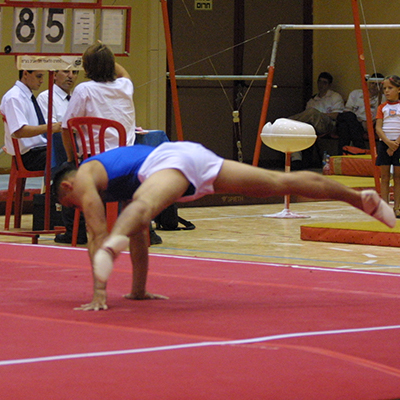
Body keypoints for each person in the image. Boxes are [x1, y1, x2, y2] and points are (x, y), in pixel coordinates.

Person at [52, 141, 396, 311]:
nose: (77, 207)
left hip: (171, 163)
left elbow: (95, 232)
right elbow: (141, 238)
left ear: (67, 188)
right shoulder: (114, 179)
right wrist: (138, 291)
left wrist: (99, 292)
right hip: (192, 157)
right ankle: (358, 198)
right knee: (281, 181)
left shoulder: (83, 177)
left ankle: (116, 246)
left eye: (71, 205)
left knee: (140, 208)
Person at [61, 42, 136, 163]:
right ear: (112, 64)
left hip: (94, 158)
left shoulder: (84, 89)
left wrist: (71, 159)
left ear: (86, 66)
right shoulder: (125, 85)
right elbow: (123, 73)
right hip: (125, 157)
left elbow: (66, 128)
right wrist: (106, 56)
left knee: (59, 169)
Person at [37, 69, 87, 244]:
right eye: (66, 72)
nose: (71, 76)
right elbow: (47, 129)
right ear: (55, 74)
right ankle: (74, 227)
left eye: (74, 72)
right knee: (70, 168)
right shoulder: (46, 97)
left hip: (79, 147)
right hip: (51, 146)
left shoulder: (77, 97)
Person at [0, 70, 61, 171]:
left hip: (39, 150)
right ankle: (56, 186)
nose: (42, 81)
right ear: (25, 74)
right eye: (38, 76)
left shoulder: (26, 96)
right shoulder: (14, 97)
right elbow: (19, 131)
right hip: (29, 156)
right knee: (69, 157)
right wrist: (50, 127)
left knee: (73, 152)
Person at [289, 72, 344, 169]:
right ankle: (296, 159)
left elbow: (337, 115)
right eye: (320, 82)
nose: (321, 85)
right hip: (312, 126)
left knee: (312, 112)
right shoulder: (313, 100)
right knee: (296, 129)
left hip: (329, 125)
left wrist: (319, 115)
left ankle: (288, 121)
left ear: (329, 85)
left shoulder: (335, 97)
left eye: (325, 82)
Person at [336, 73, 384, 154]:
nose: (374, 86)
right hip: (354, 121)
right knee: (347, 119)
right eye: (372, 83)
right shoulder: (355, 94)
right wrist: (359, 120)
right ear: (368, 83)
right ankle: (360, 147)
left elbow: (381, 116)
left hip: (368, 125)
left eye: (377, 84)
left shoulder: (382, 98)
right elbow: (346, 111)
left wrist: (369, 123)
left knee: (344, 126)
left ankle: (342, 154)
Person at [375, 75, 400, 217]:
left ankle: (397, 207)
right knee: (384, 177)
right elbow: (378, 128)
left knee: (398, 177)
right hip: (385, 144)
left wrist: (395, 144)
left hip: (398, 145)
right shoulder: (382, 107)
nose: (386, 91)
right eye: (384, 88)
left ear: (398, 89)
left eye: (390, 88)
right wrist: (388, 143)